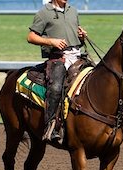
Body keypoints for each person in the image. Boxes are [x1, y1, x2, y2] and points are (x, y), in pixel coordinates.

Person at [27, 0, 87, 141]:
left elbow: (73, 32)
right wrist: (51, 41)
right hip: (59, 58)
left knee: (100, 79)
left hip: (78, 56)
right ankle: (51, 126)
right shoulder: (44, 13)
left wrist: (81, 36)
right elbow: (30, 37)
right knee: (55, 88)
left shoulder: (73, 11)